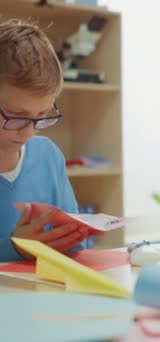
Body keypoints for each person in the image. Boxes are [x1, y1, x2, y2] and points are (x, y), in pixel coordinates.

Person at [0, 19, 88, 261]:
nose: (29, 132)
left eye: (42, 115)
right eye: (17, 116)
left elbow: (76, 245)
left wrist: (78, 236)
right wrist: (14, 248)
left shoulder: (47, 155)